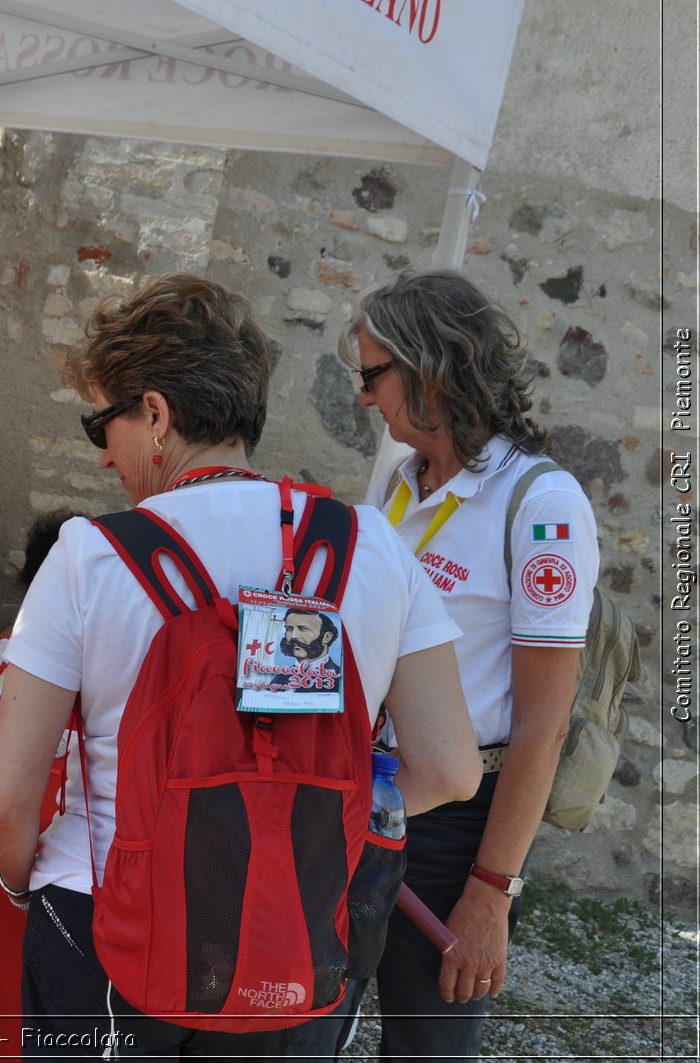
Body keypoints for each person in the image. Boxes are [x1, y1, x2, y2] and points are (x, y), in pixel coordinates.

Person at [0, 273, 480, 1058]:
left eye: (99, 424)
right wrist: (298, 825)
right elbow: (450, 769)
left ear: (154, 413)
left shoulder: (88, 554)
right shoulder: (375, 545)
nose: (105, 459)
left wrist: (18, 885)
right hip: (298, 928)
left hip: (106, 920)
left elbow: (6, 802)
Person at [340, 270, 600, 1061]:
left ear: (430, 370)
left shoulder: (541, 504)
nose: (363, 399)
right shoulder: (395, 479)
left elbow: (544, 725)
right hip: (365, 789)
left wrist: (492, 891)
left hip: (459, 822)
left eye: (372, 376)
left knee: (426, 1047)